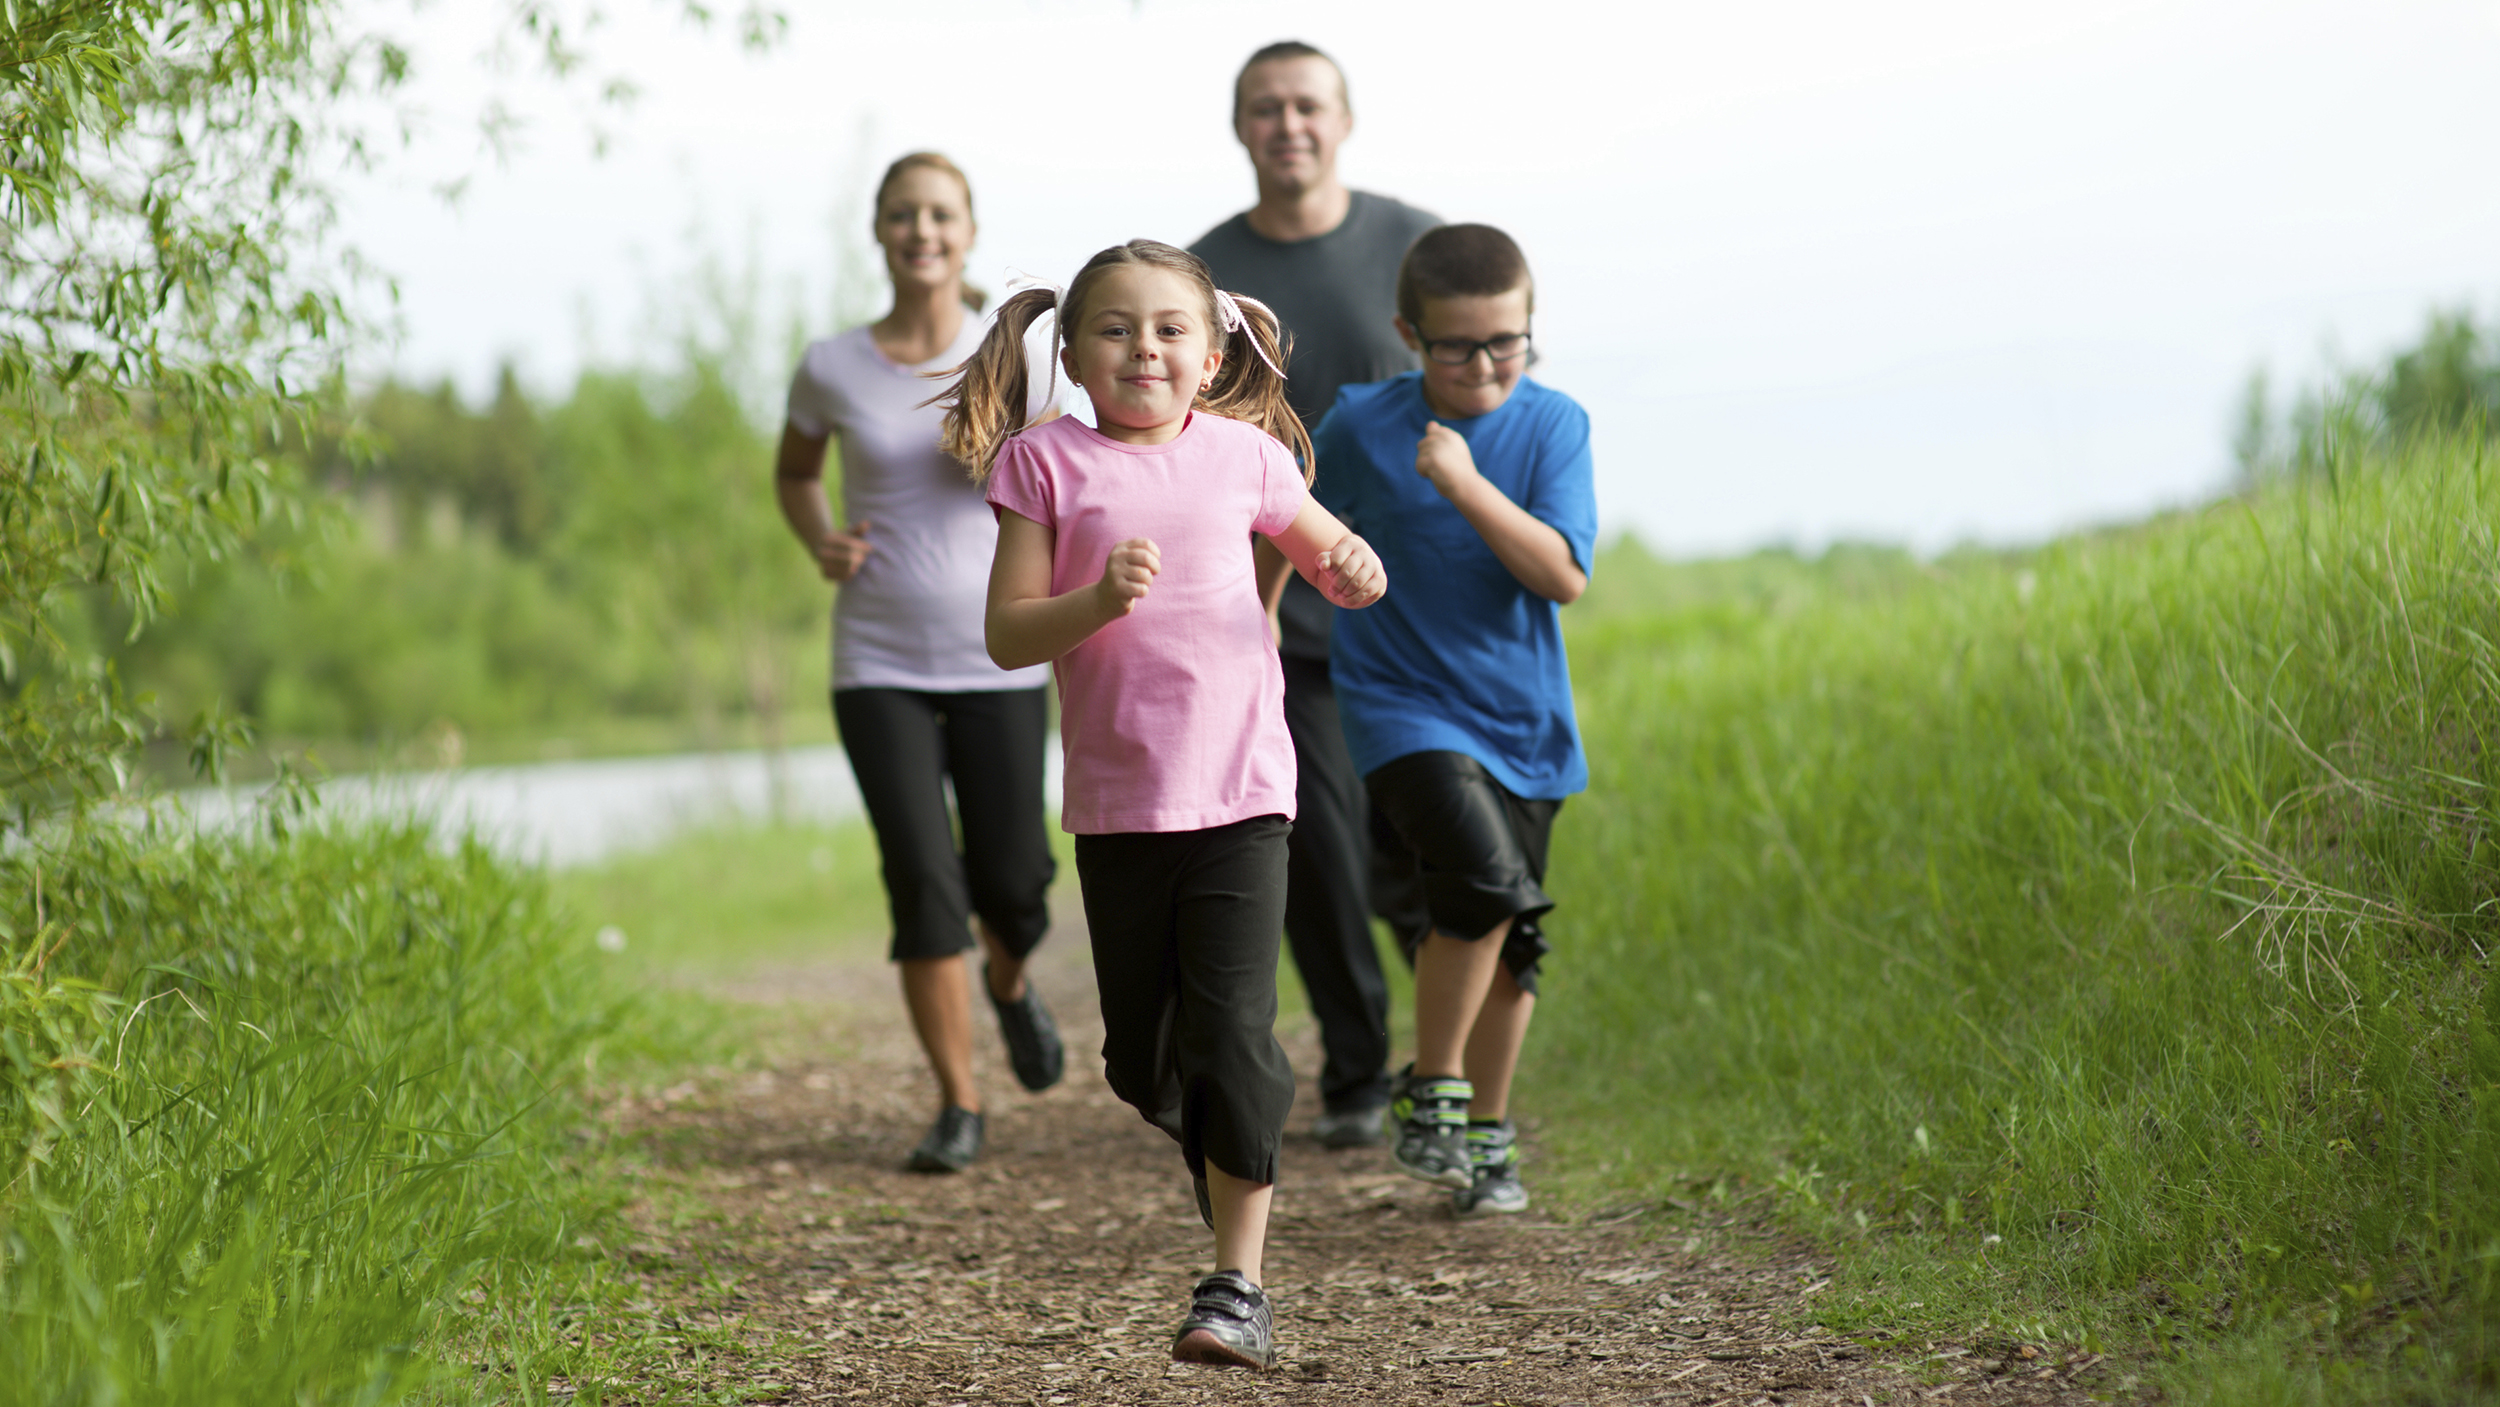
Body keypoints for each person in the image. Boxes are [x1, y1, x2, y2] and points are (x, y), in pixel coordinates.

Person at [934, 239, 1386, 1368]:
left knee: (1233, 1033)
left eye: (1170, 328)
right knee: (1143, 1060)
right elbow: (1005, 635)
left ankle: (1236, 1282)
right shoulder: (1043, 464)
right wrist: (1095, 599)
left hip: (1243, 788)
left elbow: (1322, 550)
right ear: (1075, 355)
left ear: (1211, 348)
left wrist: (1351, 567)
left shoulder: (1247, 458)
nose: (1145, 348)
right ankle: (1241, 1137)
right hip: (1119, 802)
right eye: (1117, 329)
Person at [775, 152, 1071, 1175]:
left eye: (940, 214)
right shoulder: (832, 364)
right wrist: (820, 537)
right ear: (880, 231)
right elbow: (795, 469)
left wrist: (1000, 450)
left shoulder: (1019, 360)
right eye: (903, 215)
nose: (922, 231)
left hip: (1000, 653)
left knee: (1016, 880)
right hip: (879, 657)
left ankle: (1008, 979)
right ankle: (959, 1102)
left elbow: (1068, 482)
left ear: (968, 230)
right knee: (921, 881)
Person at [1310, 224, 1594, 1218]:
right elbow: (1288, 519)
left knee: (1508, 927)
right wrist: (1256, 624)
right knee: (1481, 880)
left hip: (1523, 720)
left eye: (1504, 344)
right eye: (1455, 347)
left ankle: (1489, 1138)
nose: (1482, 368)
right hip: (1400, 707)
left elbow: (1560, 574)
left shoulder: (1554, 427)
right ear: (1407, 335)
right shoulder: (1357, 425)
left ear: (1528, 329)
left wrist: (1466, 483)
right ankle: (1434, 1092)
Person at [1190, 40, 1441, 1149]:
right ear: (1239, 127)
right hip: (1278, 610)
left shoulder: (1413, 245)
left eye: (1306, 105)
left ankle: (1448, 1065)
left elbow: (1486, 386)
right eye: (1264, 108)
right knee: (1322, 839)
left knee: (1423, 845)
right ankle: (1352, 1072)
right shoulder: (1198, 278)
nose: (1286, 124)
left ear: (1342, 120)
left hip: (1420, 606)